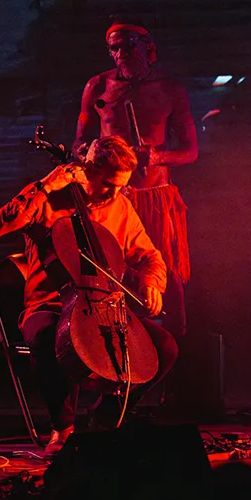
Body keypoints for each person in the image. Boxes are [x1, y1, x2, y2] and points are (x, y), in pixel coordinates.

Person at [0, 134, 177, 450]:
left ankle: (105, 418)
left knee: (164, 348)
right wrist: (46, 185)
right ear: (86, 169)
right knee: (54, 338)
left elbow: (148, 255)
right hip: (48, 304)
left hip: (105, 304)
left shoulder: (120, 206)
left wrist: (152, 283)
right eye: (108, 184)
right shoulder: (47, 197)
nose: (116, 194)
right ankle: (62, 429)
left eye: (122, 186)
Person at [75, 21, 197, 339]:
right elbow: (78, 144)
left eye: (127, 47)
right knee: (113, 270)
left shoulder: (170, 88)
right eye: (114, 48)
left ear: (146, 47)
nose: (119, 54)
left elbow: (191, 151)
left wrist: (155, 156)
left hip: (155, 196)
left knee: (165, 274)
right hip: (112, 198)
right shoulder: (97, 87)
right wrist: (90, 154)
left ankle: (174, 357)